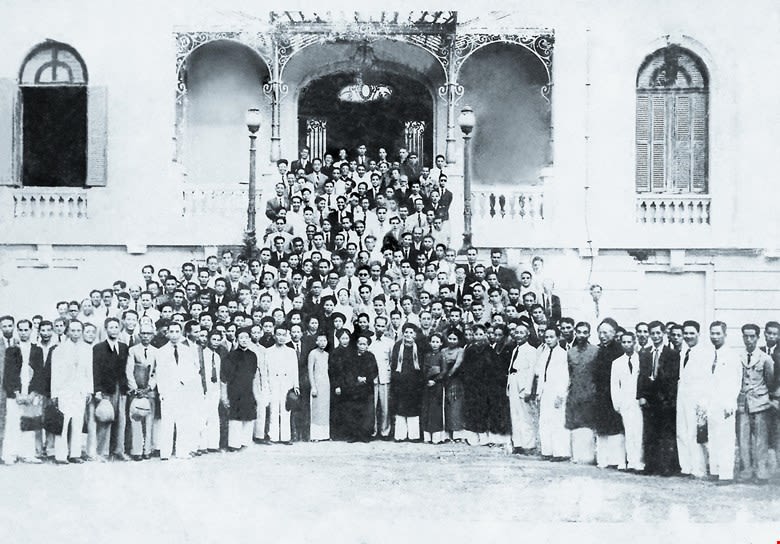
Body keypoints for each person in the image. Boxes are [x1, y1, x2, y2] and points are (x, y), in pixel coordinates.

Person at [637, 321, 680, 476]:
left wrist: (668, 398)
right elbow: (642, 376)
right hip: (650, 400)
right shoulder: (645, 353)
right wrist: (641, 395)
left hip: (665, 399)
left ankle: (666, 466)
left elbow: (672, 378)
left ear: (664, 334)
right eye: (652, 333)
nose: (655, 336)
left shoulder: (672, 354)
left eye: (658, 333)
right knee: (650, 432)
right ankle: (650, 465)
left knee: (665, 433)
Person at [736, 323, 776, 484]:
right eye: (746, 336)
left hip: (760, 403)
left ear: (758, 337)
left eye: (752, 336)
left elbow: (770, 381)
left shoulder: (765, 358)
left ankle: (761, 472)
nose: (749, 339)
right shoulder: (738, 357)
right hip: (743, 404)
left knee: (761, 440)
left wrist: (767, 398)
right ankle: (746, 471)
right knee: (743, 439)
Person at [2, 319, 45, 464]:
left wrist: (33, 393)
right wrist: (16, 393)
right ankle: (10, 454)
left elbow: (39, 373)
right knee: (13, 422)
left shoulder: (37, 350)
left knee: (29, 422)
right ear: (17, 331)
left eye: (26, 330)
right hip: (15, 393)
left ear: (31, 330)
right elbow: (9, 374)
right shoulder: (11, 350)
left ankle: (28, 454)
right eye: (20, 330)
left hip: (31, 392)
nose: (23, 333)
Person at [155, 321, 200, 460]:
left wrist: (185, 382)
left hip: (184, 390)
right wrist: (162, 392)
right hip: (168, 391)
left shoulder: (188, 350)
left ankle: (182, 451)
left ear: (181, 333)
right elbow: (159, 373)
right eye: (171, 332)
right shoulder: (161, 351)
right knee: (167, 422)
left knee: (183, 422)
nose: (174, 335)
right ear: (167, 333)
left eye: (177, 332)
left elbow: (195, 369)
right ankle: (165, 453)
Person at [706, 321, 741, 484]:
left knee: (725, 439)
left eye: (718, 333)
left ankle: (726, 474)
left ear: (725, 335)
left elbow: (736, 381)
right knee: (712, 437)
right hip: (712, 402)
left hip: (725, 403)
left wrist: (730, 402)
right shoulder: (710, 355)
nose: (714, 337)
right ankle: (715, 470)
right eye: (712, 333)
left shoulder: (732, 356)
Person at [93, 317, 130, 461]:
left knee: (121, 420)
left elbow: (126, 369)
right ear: (106, 329)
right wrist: (97, 390)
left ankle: (119, 450)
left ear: (120, 329)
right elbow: (96, 370)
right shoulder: (98, 348)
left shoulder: (124, 347)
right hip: (106, 389)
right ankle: (102, 452)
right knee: (105, 418)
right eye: (111, 327)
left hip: (121, 388)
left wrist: (126, 387)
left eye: (116, 327)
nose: (114, 330)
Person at [676, 320, 710, 479]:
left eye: (692, 333)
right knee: (682, 432)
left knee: (695, 434)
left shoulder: (704, 353)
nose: (688, 336)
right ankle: (686, 467)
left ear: (698, 334)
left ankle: (698, 468)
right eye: (686, 333)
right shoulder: (684, 352)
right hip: (682, 396)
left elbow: (707, 379)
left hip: (697, 398)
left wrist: (703, 402)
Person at [592, 318, 625, 469]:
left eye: (605, 333)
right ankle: (603, 458)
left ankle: (616, 459)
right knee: (602, 427)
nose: (602, 336)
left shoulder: (619, 350)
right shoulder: (599, 350)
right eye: (600, 332)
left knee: (615, 426)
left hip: (614, 394)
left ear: (614, 333)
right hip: (601, 394)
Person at [565, 321, 599, 464]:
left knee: (589, 425)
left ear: (589, 334)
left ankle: (589, 457)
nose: (582, 335)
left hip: (590, 394)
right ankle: (577, 456)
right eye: (579, 332)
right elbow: (569, 374)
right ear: (575, 333)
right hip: (575, 394)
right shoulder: (570, 352)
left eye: (585, 332)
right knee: (575, 425)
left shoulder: (596, 351)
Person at [535, 327, 570, 461]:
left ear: (558, 338)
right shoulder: (544, 354)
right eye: (546, 337)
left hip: (556, 391)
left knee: (557, 422)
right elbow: (541, 375)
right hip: (545, 391)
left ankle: (560, 452)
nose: (549, 340)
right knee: (545, 421)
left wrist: (560, 395)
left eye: (551, 337)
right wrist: (539, 392)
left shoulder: (562, 354)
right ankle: (547, 451)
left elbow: (565, 377)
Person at [610, 332, 643, 472]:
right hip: (625, 402)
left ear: (634, 342)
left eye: (630, 342)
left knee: (639, 432)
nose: (627, 345)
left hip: (638, 401)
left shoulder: (641, 359)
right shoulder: (617, 363)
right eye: (624, 342)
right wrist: (617, 404)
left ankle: (640, 461)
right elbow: (614, 385)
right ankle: (630, 461)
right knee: (629, 432)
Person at [222, 328, 259, 451]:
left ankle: (245, 441)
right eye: (241, 338)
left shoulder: (253, 356)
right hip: (234, 389)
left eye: (246, 338)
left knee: (248, 416)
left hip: (248, 389)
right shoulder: (231, 355)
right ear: (237, 339)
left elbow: (253, 374)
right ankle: (234, 444)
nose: (244, 340)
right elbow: (227, 375)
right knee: (235, 417)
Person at [125, 324, 158, 460]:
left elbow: (157, 372)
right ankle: (136, 450)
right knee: (136, 418)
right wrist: (135, 388)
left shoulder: (156, 351)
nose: (146, 336)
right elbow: (129, 370)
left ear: (152, 335)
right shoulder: (133, 350)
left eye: (148, 334)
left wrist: (149, 387)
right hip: (136, 391)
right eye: (143, 333)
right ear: (139, 335)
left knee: (149, 420)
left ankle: (147, 450)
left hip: (149, 391)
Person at [390, 323, 426, 442]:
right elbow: (394, 363)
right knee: (400, 408)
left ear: (415, 334)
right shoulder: (397, 346)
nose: (408, 335)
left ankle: (413, 435)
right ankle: (400, 435)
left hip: (415, 382)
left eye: (411, 332)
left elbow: (422, 364)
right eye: (406, 332)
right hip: (400, 382)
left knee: (413, 408)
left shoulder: (419, 346)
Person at [338, 335, 378, 443]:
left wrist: (366, 378)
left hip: (367, 388)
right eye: (360, 344)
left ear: (367, 346)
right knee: (353, 411)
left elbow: (374, 371)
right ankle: (354, 435)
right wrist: (356, 378)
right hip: (354, 388)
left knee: (367, 412)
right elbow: (347, 371)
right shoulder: (351, 356)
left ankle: (365, 435)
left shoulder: (371, 356)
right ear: (357, 344)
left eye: (364, 344)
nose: (362, 346)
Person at [507, 322, 538, 454]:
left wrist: (528, 389)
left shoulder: (531, 350)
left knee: (526, 416)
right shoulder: (515, 349)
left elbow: (531, 371)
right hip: (514, 382)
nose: (518, 335)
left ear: (527, 335)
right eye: (517, 332)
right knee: (515, 414)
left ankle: (528, 444)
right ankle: (518, 443)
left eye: (521, 333)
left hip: (523, 385)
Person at [264, 325, 299, 444]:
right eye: (279, 335)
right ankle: (273, 436)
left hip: (286, 383)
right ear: (274, 336)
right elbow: (266, 369)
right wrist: (266, 386)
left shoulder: (291, 352)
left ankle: (285, 437)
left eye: (284, 335)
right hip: (273, 382)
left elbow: (295, 369)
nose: (281, 337)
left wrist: (296, 385)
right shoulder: (268, 351)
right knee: (273, 410)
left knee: (285, 409)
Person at [460, 324, 493, 445]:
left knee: (483, 410)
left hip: (484, 384)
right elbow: (465, 367)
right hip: (471, 384)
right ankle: (473, 436)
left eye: (480, 334)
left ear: (485, 335)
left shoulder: (489, 350)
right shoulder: (470, 350)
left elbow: (491, 367)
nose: (478, 337)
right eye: (476, 334)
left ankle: (483, 436)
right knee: (472, 409)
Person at [368, 316, 393, 440]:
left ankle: (385, 431)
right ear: (374, 326)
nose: (380, 328)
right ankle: (372, 431)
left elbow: (392, 360)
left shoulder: (389, 342)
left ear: (386, 328)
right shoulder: (369, 341)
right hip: (371, 379)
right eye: (378, 325)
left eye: (383, 326)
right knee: (372, 406)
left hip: (385, 377)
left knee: (385, 406)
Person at [442, 328, 466, 442]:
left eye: (454, 339)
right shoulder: (443, 351)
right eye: (450, 338)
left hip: (455, 379)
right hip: (444, 379)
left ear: (458, 340)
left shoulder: (461, 351)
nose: (451, 341)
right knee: (445, 405)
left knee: (455, 405)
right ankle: (447, 432)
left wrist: (449, 375)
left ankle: (457, 433)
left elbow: (457, 365)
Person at [421, 333, 446, 444]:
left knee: (436, 410)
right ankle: (427, 436)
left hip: (437, 385)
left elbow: (444, 371)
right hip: (427, 385)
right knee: (427, 409)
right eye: (433, 342)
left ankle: (436, 437)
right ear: (429, 343)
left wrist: (435, 380)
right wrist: (426, 379)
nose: (435, 344)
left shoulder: (442, 355)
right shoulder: (427, 355)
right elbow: (424, 369)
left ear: (441, 343)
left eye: (437, 342)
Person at [308, 332, 330, 441]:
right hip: (317, 384)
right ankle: (315, 435)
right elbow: (310, 371)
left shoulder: (327, 354)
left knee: (325, 410)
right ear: (316, 342)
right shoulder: (313, 354)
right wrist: (313, 386)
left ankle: (325, 435)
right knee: (316, 409)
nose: (322, 343)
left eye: (324, 340)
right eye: (320, 340)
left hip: (326, 384)